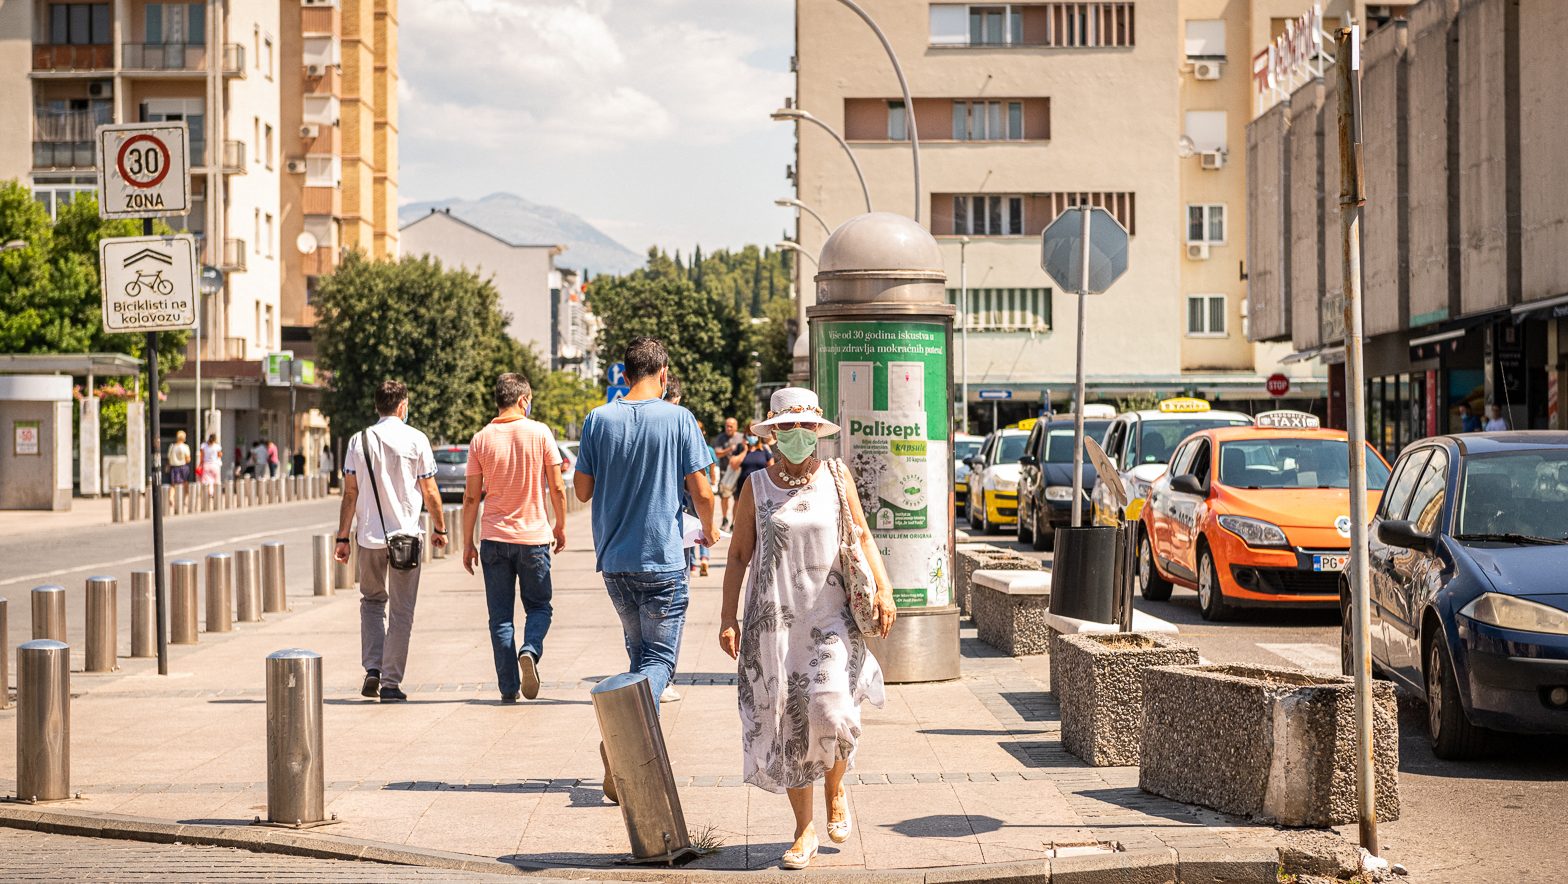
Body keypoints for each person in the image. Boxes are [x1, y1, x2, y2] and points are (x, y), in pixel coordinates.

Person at [719, 386, 896, 871]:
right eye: (788, 428)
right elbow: (738, 555)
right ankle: (804, 830)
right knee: (790, 719)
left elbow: (861, 535)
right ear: (773, 433)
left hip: (830, 616)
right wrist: (727, 618)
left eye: (806, 427)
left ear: (817, 431)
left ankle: (836, 790)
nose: (798, 436)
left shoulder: (837, 477)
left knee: (831, 708)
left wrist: (883, 588)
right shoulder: (755, 488)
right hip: (775, 619)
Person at [574, 337, 719, 801]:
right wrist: (711, 529)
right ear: (663, 372)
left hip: (615, 562)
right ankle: (620, 750)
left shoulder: (598, 419)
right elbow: (703, 489)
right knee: (660, 663)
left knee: (639, 658)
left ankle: (623, 769)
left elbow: (581, 491)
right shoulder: (679, 419)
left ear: (624, 374)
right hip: (662, 559)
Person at [333, 380, 447, 703]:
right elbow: (430, 492)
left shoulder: (358, 440)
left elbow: (350, 493)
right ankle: (391, 683)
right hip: (406, 540)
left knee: (371, 602)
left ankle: (372, 668)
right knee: (401, 611)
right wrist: (440, 529)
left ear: (376, 407)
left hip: (369, 538)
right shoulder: (417, 440)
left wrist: (343, 536)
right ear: (402, 407)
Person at [463, 372, 567, 704]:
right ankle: (530, 649)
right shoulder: (540, 433)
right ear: (523, 400)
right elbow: (558, 486)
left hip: (493, 539)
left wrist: (467, 542)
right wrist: (560, 526)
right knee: (539, 607)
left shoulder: (480, 439)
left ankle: (508, 688)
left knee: (500, 617)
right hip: (534, 538)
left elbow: (470, 498)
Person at [711, 417, 745, 531]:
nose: (728, 428)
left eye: (731, 426)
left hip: (738, 472)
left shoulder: (741, 437)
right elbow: (717, 453)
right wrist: (730, 449)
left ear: (736, 426)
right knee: (724, 497)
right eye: (726, 425)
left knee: (737, 499)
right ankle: (725, 519)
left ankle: (734, 522)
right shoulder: (720, 438)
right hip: (724, 472)